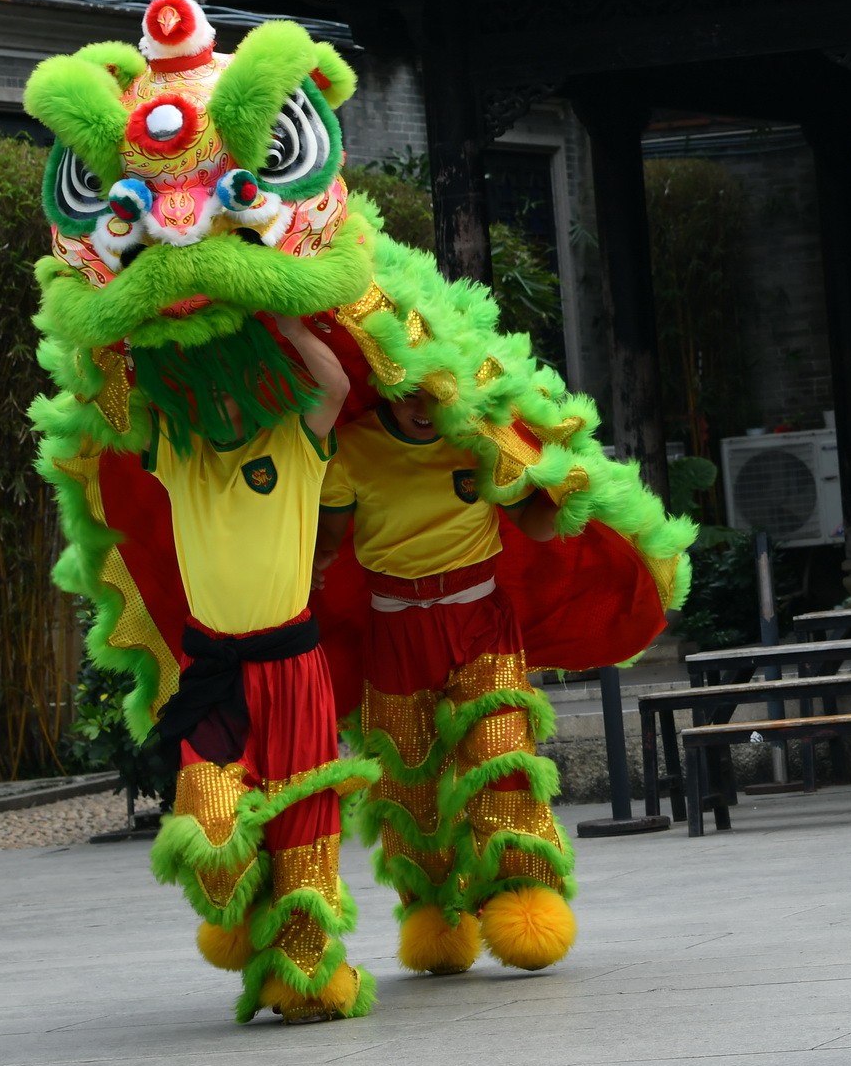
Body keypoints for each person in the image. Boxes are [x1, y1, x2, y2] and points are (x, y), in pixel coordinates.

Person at [149, 312, 374, 1023]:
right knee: (213, 835)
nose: (221, 400)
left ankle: (305, 975)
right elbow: (107, 395)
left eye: (233, 383)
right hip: (215, 675)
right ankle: (249, 920)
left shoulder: (295, 439)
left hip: (294, 667)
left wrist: (283, 323)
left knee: (306, 827)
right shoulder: (174, 453)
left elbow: (333, 384)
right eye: (205, 385)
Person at [317, 387, 573, 978]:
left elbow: (533, 524)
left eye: (437, 390)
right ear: (384, 383)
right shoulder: (351, 447)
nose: (424, 404)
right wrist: (311, 555)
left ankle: (524, 900)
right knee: (409, 785)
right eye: (409, 392)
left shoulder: (478, 436)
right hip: (395, 630)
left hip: (480, 620)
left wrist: (565, 479)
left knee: (502, 757)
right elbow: (328, 537)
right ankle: (435, 916)